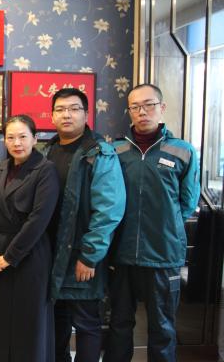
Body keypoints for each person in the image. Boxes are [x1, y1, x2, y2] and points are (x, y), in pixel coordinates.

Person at [104, 84, 200, 362]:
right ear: (129, 111)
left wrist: (165, 225)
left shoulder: (182, 151)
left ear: (162, 108)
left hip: (163, 255)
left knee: (163, 328)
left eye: (148, 105)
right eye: (135, 107)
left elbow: (188, 202)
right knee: (119, 325)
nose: (142, 111)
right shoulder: (115, 150)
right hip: (121, 255)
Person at [46, 88, 126, 362]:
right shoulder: (46, 151)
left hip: (82, 257)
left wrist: (90, 255)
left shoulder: (99, 153)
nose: (66, 114)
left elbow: (109, 210)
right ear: (52, 115)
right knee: (56, 322)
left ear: (86, 114)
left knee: (86, 324)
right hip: (52, 257)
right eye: (60, 109)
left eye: (74, 108)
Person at [0, 115, 59, 362]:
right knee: (0, 317)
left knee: (29, 319)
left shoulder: (45, 169)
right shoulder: (1, 168)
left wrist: (9, 257)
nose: (17, 143)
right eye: (11, 137)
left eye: (23, 136)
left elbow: (38, 220)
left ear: (35, 139)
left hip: (30, 253)